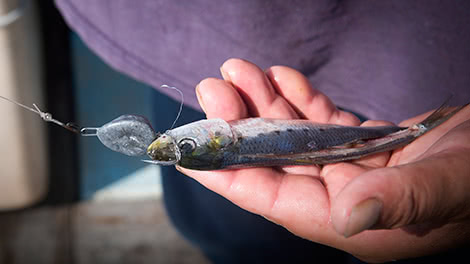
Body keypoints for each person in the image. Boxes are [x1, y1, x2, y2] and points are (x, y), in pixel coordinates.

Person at [55, 0, 470, 263]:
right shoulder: (220, 138)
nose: (173, 141)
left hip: (412, 59)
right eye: (184, 143)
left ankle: (413, 129)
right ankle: (410, 130)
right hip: (177, 31)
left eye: (182, 143)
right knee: (231, 237)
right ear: (220, 139)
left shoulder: (216, 136)